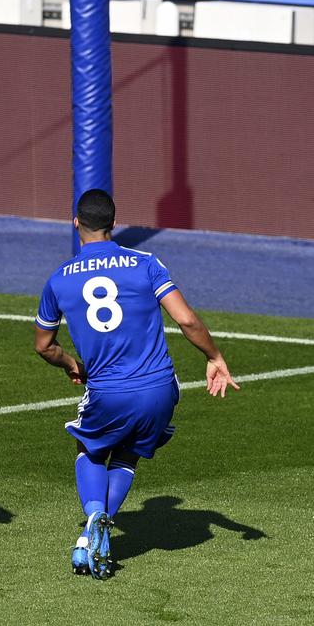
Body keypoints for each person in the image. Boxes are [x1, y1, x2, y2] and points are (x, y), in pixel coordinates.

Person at [34, 189, 239, 579]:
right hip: (161, 389)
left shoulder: (59, 279)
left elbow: (43, 346)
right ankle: (88, 540)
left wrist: (70, 364)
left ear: (76, 222)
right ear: (114, 222)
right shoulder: (146, 263)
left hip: (108, 391)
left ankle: (94, 515)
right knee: (127, 454)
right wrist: (214, 357)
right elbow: (188, 320)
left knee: (90, 448)